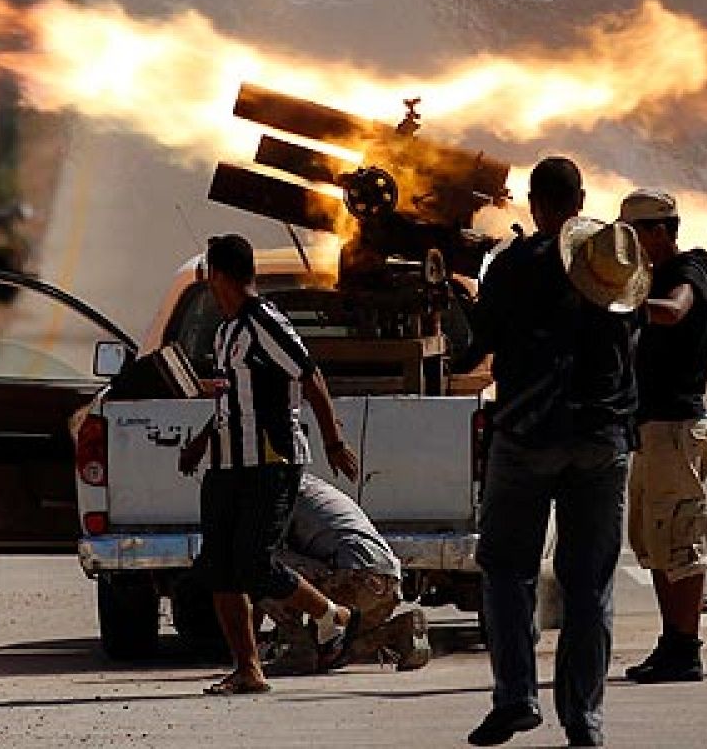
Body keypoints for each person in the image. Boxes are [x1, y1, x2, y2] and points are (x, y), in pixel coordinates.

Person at [464, 157, 648, 748]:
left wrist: (461, 294)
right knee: (589, 584)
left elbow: (473, 349)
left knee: (506, 570)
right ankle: (585, 718)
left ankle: (516, 697)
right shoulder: (614, 264)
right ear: (582, 200)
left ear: (536, 205)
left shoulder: (514, 265)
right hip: (602, 439)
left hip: (527, 436)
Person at [178, 233, 363, 695]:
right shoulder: (225, 332)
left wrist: (334, 441)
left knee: (253, 564)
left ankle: (333, 616)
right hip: (226, 464)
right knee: (219, 566)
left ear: (219, 276)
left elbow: (310, 376)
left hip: (270, 460)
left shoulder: (264, 322)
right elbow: (232, 401)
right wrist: (201, 442)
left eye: (209, 277)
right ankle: (248, 669)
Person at [617, 189, 707, 683]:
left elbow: (675, 309)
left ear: (659, 231)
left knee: (680, 542)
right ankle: (672, 642)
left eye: (634, 234)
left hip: (675, 429)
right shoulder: (650, 276)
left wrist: (626, 304)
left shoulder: (689, 270)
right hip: (651, 430)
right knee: (654, 542)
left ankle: (686, 647)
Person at [259, 472, 431, 673]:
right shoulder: (313, 487)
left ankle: (298, 647)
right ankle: (396, 630)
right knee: (329, 656)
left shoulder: (276, 491)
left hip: (352, 579)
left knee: (257, 562)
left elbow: (269, 563)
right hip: (387, 581)